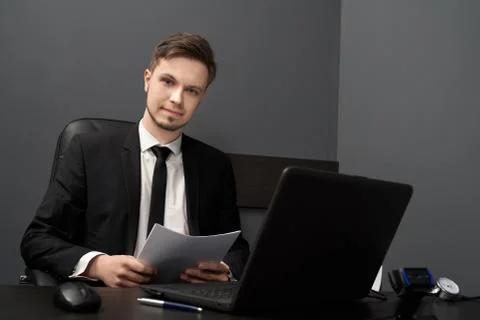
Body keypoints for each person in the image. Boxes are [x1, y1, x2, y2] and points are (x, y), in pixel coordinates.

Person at [20, 32, 250, 288]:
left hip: (189, 303)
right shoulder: (89, 150)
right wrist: (97, 265)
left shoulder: (215, 166)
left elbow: (237, 248)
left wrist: (226, 269)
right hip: (108, 303)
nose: (177, 98)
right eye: (168, 82)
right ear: (147, 80)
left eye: (192, 90)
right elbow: (37, 239)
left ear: (201, 97)